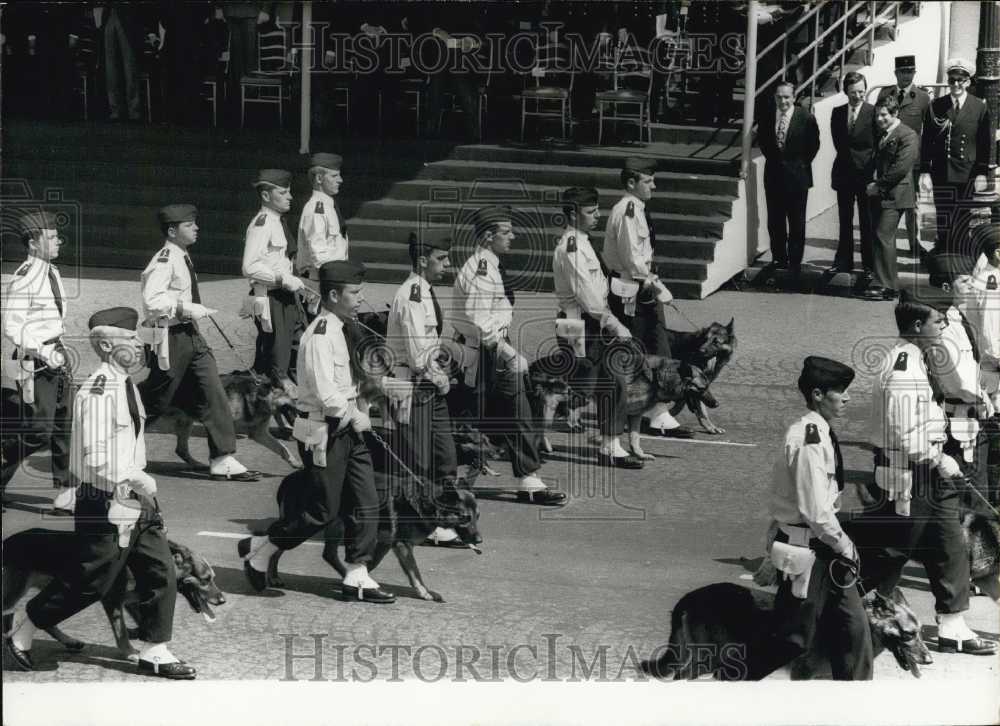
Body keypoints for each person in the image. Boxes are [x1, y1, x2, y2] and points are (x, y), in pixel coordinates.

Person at [3, 307, 196, 679]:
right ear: (106, 345)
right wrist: (138, 480)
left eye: (138, 337)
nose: (138, 344)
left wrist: (141, 490)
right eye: (129, 338)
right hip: (104, 499)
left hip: (135, 500)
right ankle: (26, 623)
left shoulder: (126, 386)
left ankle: (156, 648)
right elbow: (94, 457)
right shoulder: (97, 391)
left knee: (160, 570)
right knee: (91, 581)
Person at [239, 260, 396, 603]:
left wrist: (363, 409)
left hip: (349, 428)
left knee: (367, 500)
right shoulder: (320, 336)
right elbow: (328, 394)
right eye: (355, 292)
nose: (360, 297)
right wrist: (355, 414)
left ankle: (357, 573)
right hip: (324, 431)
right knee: (322, 511)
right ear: (335, 294)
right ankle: (262, 547)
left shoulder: (344, 327)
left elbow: (354, 382)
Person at [861, 293, 997, 655]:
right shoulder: (904, 366)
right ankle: (848, 605)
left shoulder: (918, 360)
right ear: (918, 326)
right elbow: (905, 431)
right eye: (938, 321)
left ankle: (953, 624)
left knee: (950, 541)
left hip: (928, 473)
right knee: (893, 551)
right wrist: (938, 458)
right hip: (911, 473)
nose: (944, 326)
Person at [749, 356, 872, 681]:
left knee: (854, 633)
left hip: (820, 550)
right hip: (810, 552)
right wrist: (845, 546)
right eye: (840, 391)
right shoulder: (809, 440)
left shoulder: (819, 433)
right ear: (818, 394)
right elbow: (814, 509)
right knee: (794, 642)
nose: (846, 398)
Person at [452, 205, 566, 505]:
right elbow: (479, 318)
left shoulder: (489, 265)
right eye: (506, 232)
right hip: (485, 352)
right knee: (511, 411)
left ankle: (521, 476)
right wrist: (507, 352)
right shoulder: (481, 269)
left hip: (492, 349)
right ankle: (525, 477)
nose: (512, 236)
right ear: (489, 237)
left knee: (501, 413)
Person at [139, 204, 259, 482]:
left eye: (195, 223)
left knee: (212, 391)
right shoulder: (165, 259)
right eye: (189, 225)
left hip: (190, 335)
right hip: (171, 337)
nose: (196, 228)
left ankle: (222, 457)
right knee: (157, 399)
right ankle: (116, 436)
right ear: (172, 230)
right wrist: (184, 308)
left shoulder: (182, 256)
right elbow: (152, 301)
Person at [553, 186, 644, 469]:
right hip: (578, 323)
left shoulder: (582, 242)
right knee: (587, 383)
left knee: (608, 381)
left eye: (596, 210)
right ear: (571, 213)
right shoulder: (572, 247)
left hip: (587, 321)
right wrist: (615, 324)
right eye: (590, 211)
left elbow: (598, 285)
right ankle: (527, 426)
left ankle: (610, 445)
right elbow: (587, 295)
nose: (597, 216)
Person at [602, 158, 689, 439]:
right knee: (646, 348)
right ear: (631, 183)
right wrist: (652, 282)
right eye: (648, 181)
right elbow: (630, 257)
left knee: (654, 345)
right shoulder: (627, 210)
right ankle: (651, 412)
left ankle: (655, 410)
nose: (654, 185)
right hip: (633, 289)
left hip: (641, 285)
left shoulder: (636, 209)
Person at [385, 229, 462, 544]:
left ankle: (443, 515)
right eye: (440, 258)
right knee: (417, 460)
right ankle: (422, 526)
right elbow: (418, 357)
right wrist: (441, 377)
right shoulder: (412, 296)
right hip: (414, 386)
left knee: (444, 456)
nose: (446, 264)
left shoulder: (424, 290)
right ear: (421, 260)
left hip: (429, 386)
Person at [1, 211, 74, 514]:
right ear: (33, 243)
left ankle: (65, 489)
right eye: (52, 237)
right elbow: (11, 326)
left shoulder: (52, 272)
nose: (58, 241)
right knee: (39, 429)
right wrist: (43, 351)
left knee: (64, 424)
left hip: (57, 355)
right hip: (36, 361)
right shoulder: (24, 278)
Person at [922, 253, 994, 508]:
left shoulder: (958, 316)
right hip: (960, 419)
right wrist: (986, 398)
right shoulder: (943, 327)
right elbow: (959, 379)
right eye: (964, 282)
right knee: (969, 494)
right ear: (945, 287)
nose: (971, 286)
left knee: (974, 486)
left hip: (972, 415)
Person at [241, 169, 309, 393]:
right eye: (283, 192)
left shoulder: (277, 221)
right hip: (272, 298)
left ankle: (293, 400)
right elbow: (249, 266)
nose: (290, 196)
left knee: (297, 347)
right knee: (277, 358)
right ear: (266, 196)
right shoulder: (262, 224)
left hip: (286, 296)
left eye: (289, 191)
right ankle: (273, 405)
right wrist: (281, 278)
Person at [920, 58, 992, 258]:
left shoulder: (979, 107)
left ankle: (958, 256)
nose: (956, 84)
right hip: (942, 171)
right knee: (943, 215)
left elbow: (984, 143)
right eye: (952, 80)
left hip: (967, 172)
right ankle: (943, 256)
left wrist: (981, 172)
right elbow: (927, 140)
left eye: (961, 80)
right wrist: (925, 170)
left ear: (968, 81)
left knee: (962, 217)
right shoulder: (937, 105)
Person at [756, 82, 820, 288]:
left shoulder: (806, 117)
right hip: (774, 175)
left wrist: (797, 165)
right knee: (775, 221)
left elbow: (813, 145)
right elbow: (765, 143)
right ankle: (778, 258)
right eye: (779, 97)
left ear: (794, 97)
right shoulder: (767, 116)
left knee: (796, 222)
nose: (783, 101)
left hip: (797, 177)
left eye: (787, 97)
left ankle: (794, 263)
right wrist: (778, 162)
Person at [859, 94, 919, 301]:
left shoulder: (907, 135)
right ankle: (889, 284)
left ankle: (885, 284)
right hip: (885, 194)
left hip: (896, 194)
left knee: (883, 235)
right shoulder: (885, 133)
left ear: (895, 113)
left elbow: (901, 168)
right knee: (883, 237)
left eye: (884, 115)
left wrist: (878, 185)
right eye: (877, 115)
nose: (879, 119)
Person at [877, 55, 930, 264]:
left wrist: (926, 161)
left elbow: (930, 132)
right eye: (902, 72)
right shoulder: (884, 93)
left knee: (911, 205)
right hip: (887, 160)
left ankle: (913, 244)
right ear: (895, 73)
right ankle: (882, 242)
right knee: (886, 204)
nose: (906, 75)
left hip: (912, 161)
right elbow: (877, 123)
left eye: (910, 72)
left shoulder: (923, 98)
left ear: (914, 73)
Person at [828, 71, 875, 281]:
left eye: (862, 91)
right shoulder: (837, 112)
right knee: (844, 220)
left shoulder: (873, 112)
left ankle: (869, 265)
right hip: (844, 174)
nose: (858, 96)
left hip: (866, 175)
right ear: (846, 91)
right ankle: (843, 262)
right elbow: (839, 143)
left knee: (867, 221)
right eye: (854, 92)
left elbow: (877, 144)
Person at [296, 153, 349, 278]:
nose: (340, 180)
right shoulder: (316, 210)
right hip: (321, 281)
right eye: (334, 176)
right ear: (319, 178)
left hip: (331, 277)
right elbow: (319, 256)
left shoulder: (328, 206)